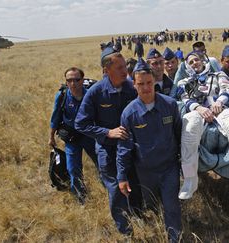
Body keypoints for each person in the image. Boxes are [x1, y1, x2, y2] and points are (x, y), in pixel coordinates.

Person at [75, 45, 141, 235]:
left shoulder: (131, 87)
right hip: (108, 149)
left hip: (131, 148)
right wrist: (107, 132)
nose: (125, 71)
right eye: (119, 67)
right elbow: (81, 124)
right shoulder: (96, 92)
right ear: (106, 70)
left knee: (135, 184)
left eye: (124, 66)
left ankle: (138, 215)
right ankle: (125, 230)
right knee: (116, 189)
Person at [177, 51, 229, 200]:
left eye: (197, 60)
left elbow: (228, 89)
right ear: (187, 66)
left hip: (219, 108)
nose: (195, 63)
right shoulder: (184, 82)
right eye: (191, 62)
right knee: (188, 132)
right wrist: (199, 108)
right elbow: (185, 98)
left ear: (203, 61)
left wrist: (219, 102)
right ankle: (190, 180)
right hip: (197, 110)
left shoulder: (218, 75)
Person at [117, 59, 182, 242]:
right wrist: (122, 177)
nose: (146, 88)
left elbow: (179, 135)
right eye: (141, 84)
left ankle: (174, 238)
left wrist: (184, 163)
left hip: (169, 168)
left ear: (154, 81)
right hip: (145, 172)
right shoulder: (129, 114)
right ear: (134, 85)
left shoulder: (170, 105)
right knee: (152, 204)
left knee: (171, 206)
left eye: (148, 83)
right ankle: (158, 223)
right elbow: (124, 148)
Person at [49, 67, 98, 204]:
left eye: (76, 80)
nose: (73, 83)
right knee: (73, 168)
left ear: (82, 80)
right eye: (69, 80)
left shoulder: (90, 95)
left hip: (89, 136)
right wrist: (51, 136)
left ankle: (108, 189)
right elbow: (55, 116)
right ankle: (80, 197)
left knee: (101, 163)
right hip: (72, 138)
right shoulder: (63, 96)